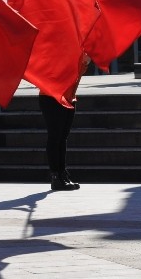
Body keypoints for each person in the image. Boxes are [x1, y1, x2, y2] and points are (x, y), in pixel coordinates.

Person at [38, 54, 90, 192]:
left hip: (69, 97)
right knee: (55, 137)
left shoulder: (77, 50)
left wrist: (84, 62)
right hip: (51, 97)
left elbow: (77, 75)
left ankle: (62, 173)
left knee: (62, 137)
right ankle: (55, 176)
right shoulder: (57, 49)